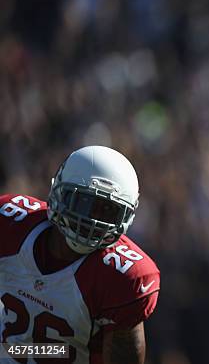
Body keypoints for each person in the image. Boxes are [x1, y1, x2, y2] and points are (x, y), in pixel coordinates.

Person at [0, 146, 160, 364]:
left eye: (107, 210)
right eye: (84, 203)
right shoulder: (9, 223)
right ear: (59, 192)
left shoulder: (122, 275)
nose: (92, 221)